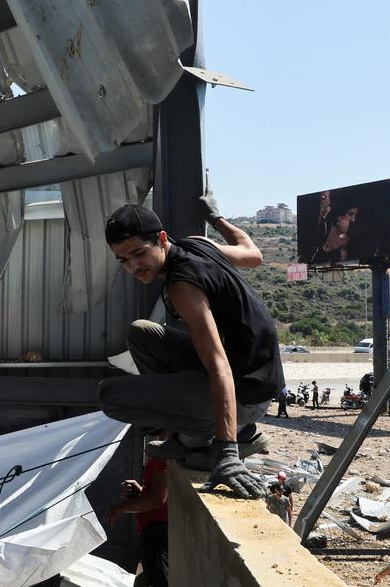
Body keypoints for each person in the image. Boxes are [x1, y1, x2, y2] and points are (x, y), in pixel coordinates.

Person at [97, 199, 283, 500]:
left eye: (138, 254)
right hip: (255, 375)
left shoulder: (181, 287)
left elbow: (218, 366)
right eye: (123, 260)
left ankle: (231, 435)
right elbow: (252, 254)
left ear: (161, 239)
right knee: (141, 333)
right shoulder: (199, 245)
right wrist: (217, 218)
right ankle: (183, 436)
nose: (133, 267)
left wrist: (228, 454)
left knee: (109, 397)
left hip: (246, 393)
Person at [107, 452, 170, 587]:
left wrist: (121, 507)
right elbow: (156, 497)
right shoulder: (159, 451)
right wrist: (140, 492)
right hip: (154, 533)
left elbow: (157, 500)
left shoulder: (165, 453)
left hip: (159, 536)